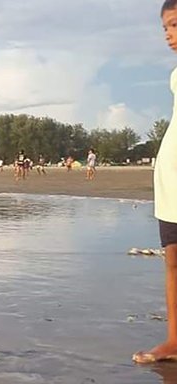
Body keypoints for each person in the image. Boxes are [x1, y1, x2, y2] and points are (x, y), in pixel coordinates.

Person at [135, 0, 177, 363]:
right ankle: (175, 341)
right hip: (171, 178)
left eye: (175, 25)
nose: (168, 35)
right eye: (165, 28)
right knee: (173, 261)